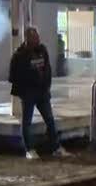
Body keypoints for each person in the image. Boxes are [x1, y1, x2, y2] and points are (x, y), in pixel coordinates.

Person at [9, 27, 69, 159]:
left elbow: (47, 68)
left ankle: (55, 147)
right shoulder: (19, 55)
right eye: (34, 38)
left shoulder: (42, 50)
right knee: (27, 121)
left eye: (37, 37)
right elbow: (12, 76)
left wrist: (46, 86)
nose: (37, 40)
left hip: (42, 92)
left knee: (50, 120)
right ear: (27, 38)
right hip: (28, 93)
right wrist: (25, 86)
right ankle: (29, 149)